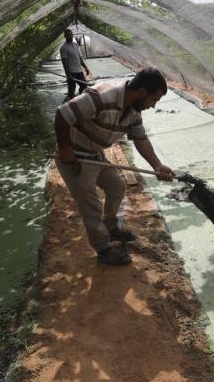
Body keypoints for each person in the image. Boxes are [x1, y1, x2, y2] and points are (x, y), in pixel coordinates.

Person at [54, 67, 176, 265]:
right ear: (142, 92)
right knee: (91, 206)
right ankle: (103, 248)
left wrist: (157, 165)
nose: (153, 106)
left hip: (95, 155)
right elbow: (63, 113)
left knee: (116, 187)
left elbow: (140, 138)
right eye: (154, 100)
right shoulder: (101, 97)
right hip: (76, 158)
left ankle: (111, 226)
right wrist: (65, 149)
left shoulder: (134, 110)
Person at [59, 28, 91, 99]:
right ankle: (71, 102)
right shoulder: (63, 48)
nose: (70, 36)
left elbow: (79, 58)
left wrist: (86, 68)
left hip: (79, 71)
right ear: (65, 36)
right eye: (68, 35)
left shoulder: (76, 45)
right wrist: (68, 74)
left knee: (84, 86)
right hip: (71, 72)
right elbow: (64, 62)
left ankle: (80, 98)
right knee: (71, 91)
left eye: (71, 35)